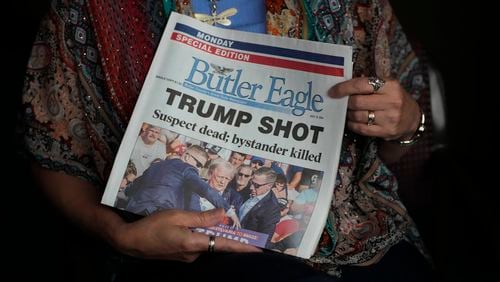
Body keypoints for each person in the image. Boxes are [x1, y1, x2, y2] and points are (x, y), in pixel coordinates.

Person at [20, 0, 433, 281]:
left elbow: (397, 153)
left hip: (359, 237)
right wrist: (117, 235)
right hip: (169, 252)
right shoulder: (91, 9)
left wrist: (407, 124)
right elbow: (52, 151)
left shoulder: (352, 5)